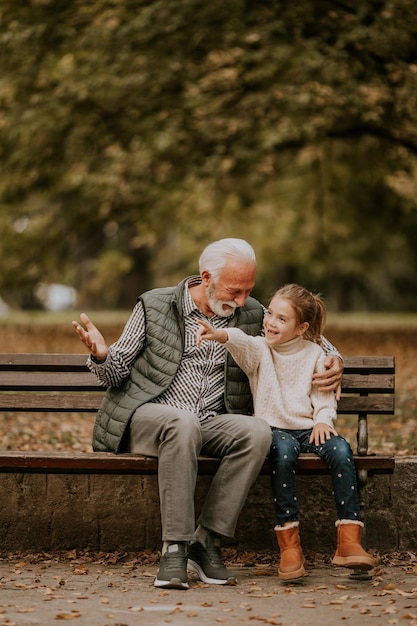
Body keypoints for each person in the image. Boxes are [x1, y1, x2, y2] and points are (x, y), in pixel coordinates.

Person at [72, 239, 343, 590]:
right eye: (235, 290)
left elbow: (307, 336)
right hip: (149, 417)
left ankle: (206, 542)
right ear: (206, 278)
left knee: (257, 432)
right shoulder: (155, 304)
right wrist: (101, 355)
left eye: (249, 291)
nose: (243, 300)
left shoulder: (249, 313)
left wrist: (336, 361)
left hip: (211, 421)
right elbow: (115, 373)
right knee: (181, 422)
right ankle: (174, 548)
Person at [196, 282, 376, 582]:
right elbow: (240, 340)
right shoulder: (260, 350)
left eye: (282, 319)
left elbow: (324, 395)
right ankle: (290, 548)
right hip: (273, 430)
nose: (270, 322)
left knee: (341, 451)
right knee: (283, 455)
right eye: (270, 314)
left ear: (301, 327)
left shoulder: (316, 353)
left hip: (309, 428)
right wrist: (219, 335)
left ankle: (349, 542)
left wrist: (323, 421)